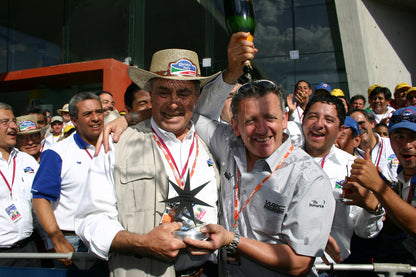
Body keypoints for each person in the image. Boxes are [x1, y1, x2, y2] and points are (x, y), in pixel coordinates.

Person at [75, 34, 254, 277]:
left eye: (183, 93)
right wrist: (142, 242)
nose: (173, 103)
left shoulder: (212, 139)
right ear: (149, 94)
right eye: (163, 92)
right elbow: (90, 218)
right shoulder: (115, 144)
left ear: (196, 97)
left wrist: (233, 71)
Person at [185, 79, 336, 276]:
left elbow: (299, 263)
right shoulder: (229, 144)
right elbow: (197, 115)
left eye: (270, 118)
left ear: (284, 119)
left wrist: (232, 240)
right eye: (250, 120)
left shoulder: (309, 178)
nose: (262, 129)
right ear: (235, 126)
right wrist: (229, 75)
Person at [301, 94, 383, 265]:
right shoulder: (282, 161)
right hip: (284, 264)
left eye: (329, 119)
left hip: (332, 268)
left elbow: (363, 231)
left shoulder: (354, 167)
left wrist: (371, 208)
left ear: (340, 130)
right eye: (313, 117)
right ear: (303, 121)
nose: (319, 124)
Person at [32, 92, 104, 267]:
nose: (95, 118)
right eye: (87, 114)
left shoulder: (116, 145)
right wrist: (56, 238)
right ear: (74, 120)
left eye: (99, 112)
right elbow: (40, 198)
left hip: (109, 237)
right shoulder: (57, 152)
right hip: (73, 241)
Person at [350, 106, 416, 266]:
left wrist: (379, 186)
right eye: (399, 137)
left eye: (413, 137)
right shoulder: (401, 175)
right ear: (390, 140)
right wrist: (373, 208)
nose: (407, 144)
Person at [0, 103, 40, 267]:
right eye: (5, 122)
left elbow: (40, 203)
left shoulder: (26, 160)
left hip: (29, 249)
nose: (13, 126)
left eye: (13, 121)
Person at [349, 109, 399, 182]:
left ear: (372, 123)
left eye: (361, 123)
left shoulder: (393, 144)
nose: (359, 128)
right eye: (354, 125)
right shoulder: (350, 155)